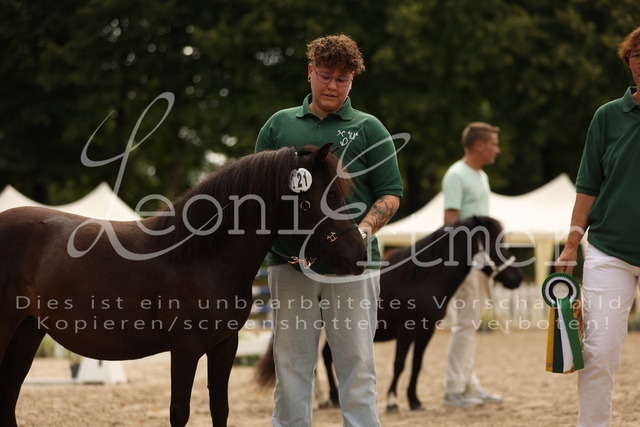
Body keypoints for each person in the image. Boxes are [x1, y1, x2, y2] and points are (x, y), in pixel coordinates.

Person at [254, 34, 403, 427]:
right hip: (289, 264)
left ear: (352, 80)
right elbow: (258, 194)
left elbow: (390, 194)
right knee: (292, 364)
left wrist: (363, 233)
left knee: (357, 363)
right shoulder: (278, 125)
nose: (333, 86)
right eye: (325, 75)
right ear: (310, 72)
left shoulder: (369, 127)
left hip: (353, 267)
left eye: (343, 79)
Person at [554, 27, 640, 427]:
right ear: (629, 62)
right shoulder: (607, 116)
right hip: (609, 251)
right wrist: (572, 244)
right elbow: (588, 184)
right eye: (637, 55)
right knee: (599, 351)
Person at [441, 122, 503, 408]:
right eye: (494, 144)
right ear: (479, 145)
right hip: (464, 261)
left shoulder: (481, 175)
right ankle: (454, 389)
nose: (497, 150)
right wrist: (466, 258)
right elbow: (450, 223)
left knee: (471, 323)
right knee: (465, 325)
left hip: (480, 259)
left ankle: (469, 384)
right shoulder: (456, 175)